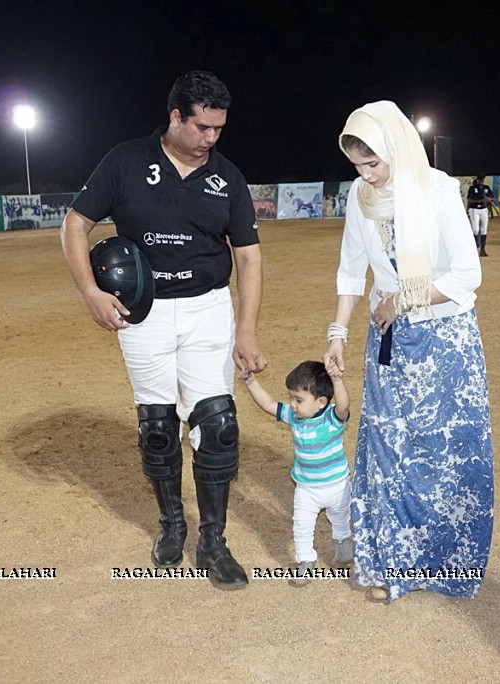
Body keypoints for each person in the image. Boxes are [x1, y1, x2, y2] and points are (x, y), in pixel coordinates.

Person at [60, 70, 267, 590]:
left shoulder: (228, 177)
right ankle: (172, 524)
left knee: (217, 425)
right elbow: (75, 223)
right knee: (157, 428)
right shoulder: (125, 161)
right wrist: (90, 291)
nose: (211, 138)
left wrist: (247, 330)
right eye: (202, 127)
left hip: (207, 311)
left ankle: (213, 540)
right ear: (175, 117)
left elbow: (248, 255)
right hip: (142, 314)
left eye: (219, 128)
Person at [324, 100, 494, 603]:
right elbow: (352, 270)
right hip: (391, 343)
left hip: (446, 342)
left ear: (396, 149)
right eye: (357, 166)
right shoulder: (360, 197)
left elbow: (467, 275)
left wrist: (404, 297)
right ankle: (390, 563)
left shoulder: (437, 189)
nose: (366, 176)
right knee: (390, 450)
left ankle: (444, 563)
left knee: (445, 454)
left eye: (373, 164)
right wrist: (338, 332)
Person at [241, 361, 353, 587]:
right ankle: (305, 561)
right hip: (306, 489)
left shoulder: (333, 417)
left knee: (341, 518)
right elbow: (269, 404)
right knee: (301, 525)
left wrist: (337, 380)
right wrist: (251, 382)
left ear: (321, 402)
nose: (292, 404)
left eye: (298, 400)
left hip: (338, 486)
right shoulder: (295, 417)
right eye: (291, 398)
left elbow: (343, 404)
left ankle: (342, 545)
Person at [467, 175, 494, 256]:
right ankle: (474, 248)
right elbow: (469, 200)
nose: (481, 181)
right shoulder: (472, 188)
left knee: (484, 230)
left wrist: (489, 200)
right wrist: (480, 200)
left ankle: (482, 249)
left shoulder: (486, 188)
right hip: (474, 209)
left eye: (482, 180)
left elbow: (491, 198)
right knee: (475, 229)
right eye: (480, 180)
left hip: (483, 209)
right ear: (477, 180)